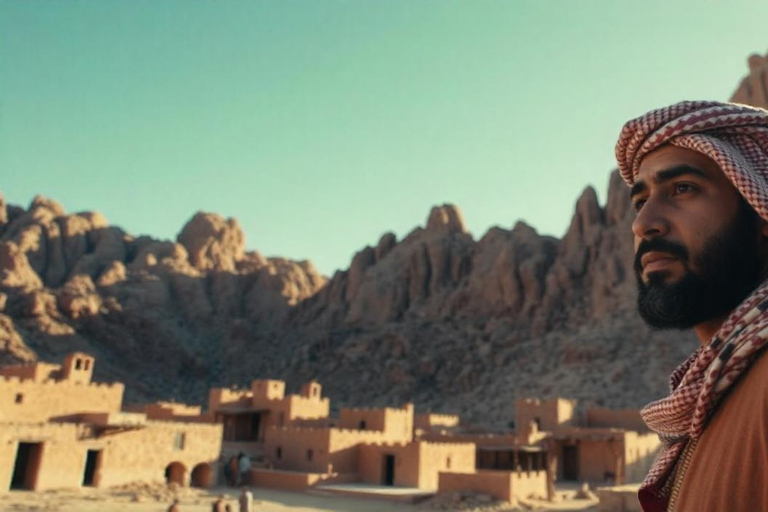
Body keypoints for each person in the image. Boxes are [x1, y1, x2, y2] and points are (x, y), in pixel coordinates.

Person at [615, 100, 768, 511]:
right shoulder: (719, 388)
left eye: (683, 188)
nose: (644, 223)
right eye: (640, 200)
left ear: (761, 213)